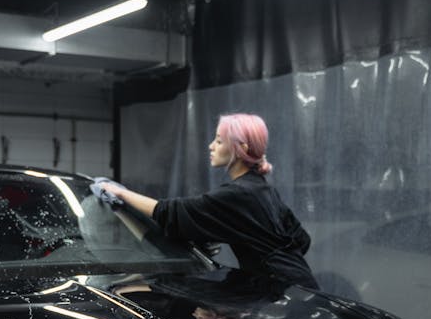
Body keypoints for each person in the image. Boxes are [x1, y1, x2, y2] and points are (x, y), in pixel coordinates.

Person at [99, 112, 318, 289]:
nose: (211, 146)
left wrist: (120, 193)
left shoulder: (236, 194)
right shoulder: (262, 188)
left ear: (241, 149)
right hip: (301, 287)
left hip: (279, 290)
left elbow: (169, 213)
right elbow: (302, 241)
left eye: (219, 141)